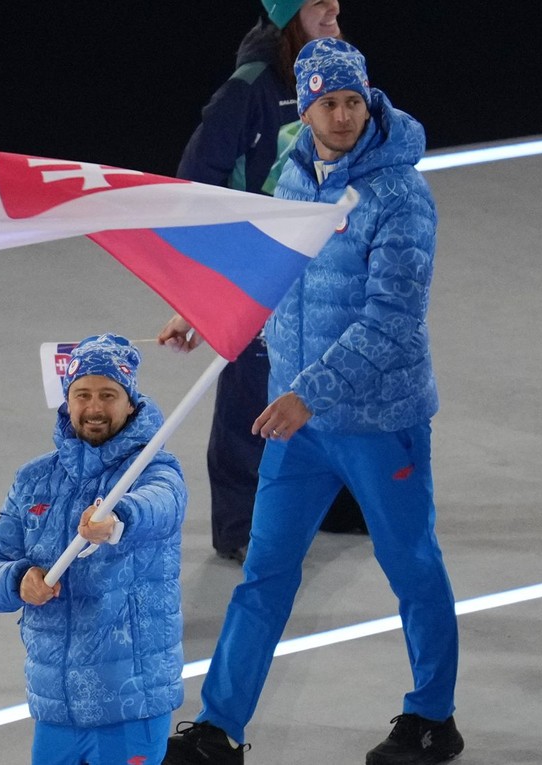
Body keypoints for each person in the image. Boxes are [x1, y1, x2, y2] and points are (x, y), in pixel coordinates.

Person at [163, 39, 463, 765]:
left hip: (378, 423)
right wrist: (208, 316)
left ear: (369, 101)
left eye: (352, 101)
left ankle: (432, 718)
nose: (341, 116)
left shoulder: (400, 195)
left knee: (412, 566)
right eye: (328, 102)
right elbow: (272, 275)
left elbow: (392, 319)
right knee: (266, 570)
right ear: (306, 104)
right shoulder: (293, 176)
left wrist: (307, 393)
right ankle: (218, 726)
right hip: (300, 424)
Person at [159, 0, 366, 565]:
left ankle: (333, 502)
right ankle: (240, 525)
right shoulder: (248, 89)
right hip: (260, 266)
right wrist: (206, 290)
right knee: (250, 395)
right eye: (317, 1)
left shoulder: (337, 73)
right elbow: (194, 188)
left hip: (324, 261)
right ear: (286, 15)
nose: (334, 8)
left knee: (326, 379)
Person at [0, 334, 188, 765]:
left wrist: (117, 518)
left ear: (130, 402)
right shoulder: (33, 479)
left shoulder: (155, 469)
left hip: (130, 700)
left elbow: (160, 505)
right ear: (66, 401)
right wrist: (17, 580)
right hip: (56, 704)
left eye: (109, 395)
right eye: (82, 394)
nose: (94, 408)